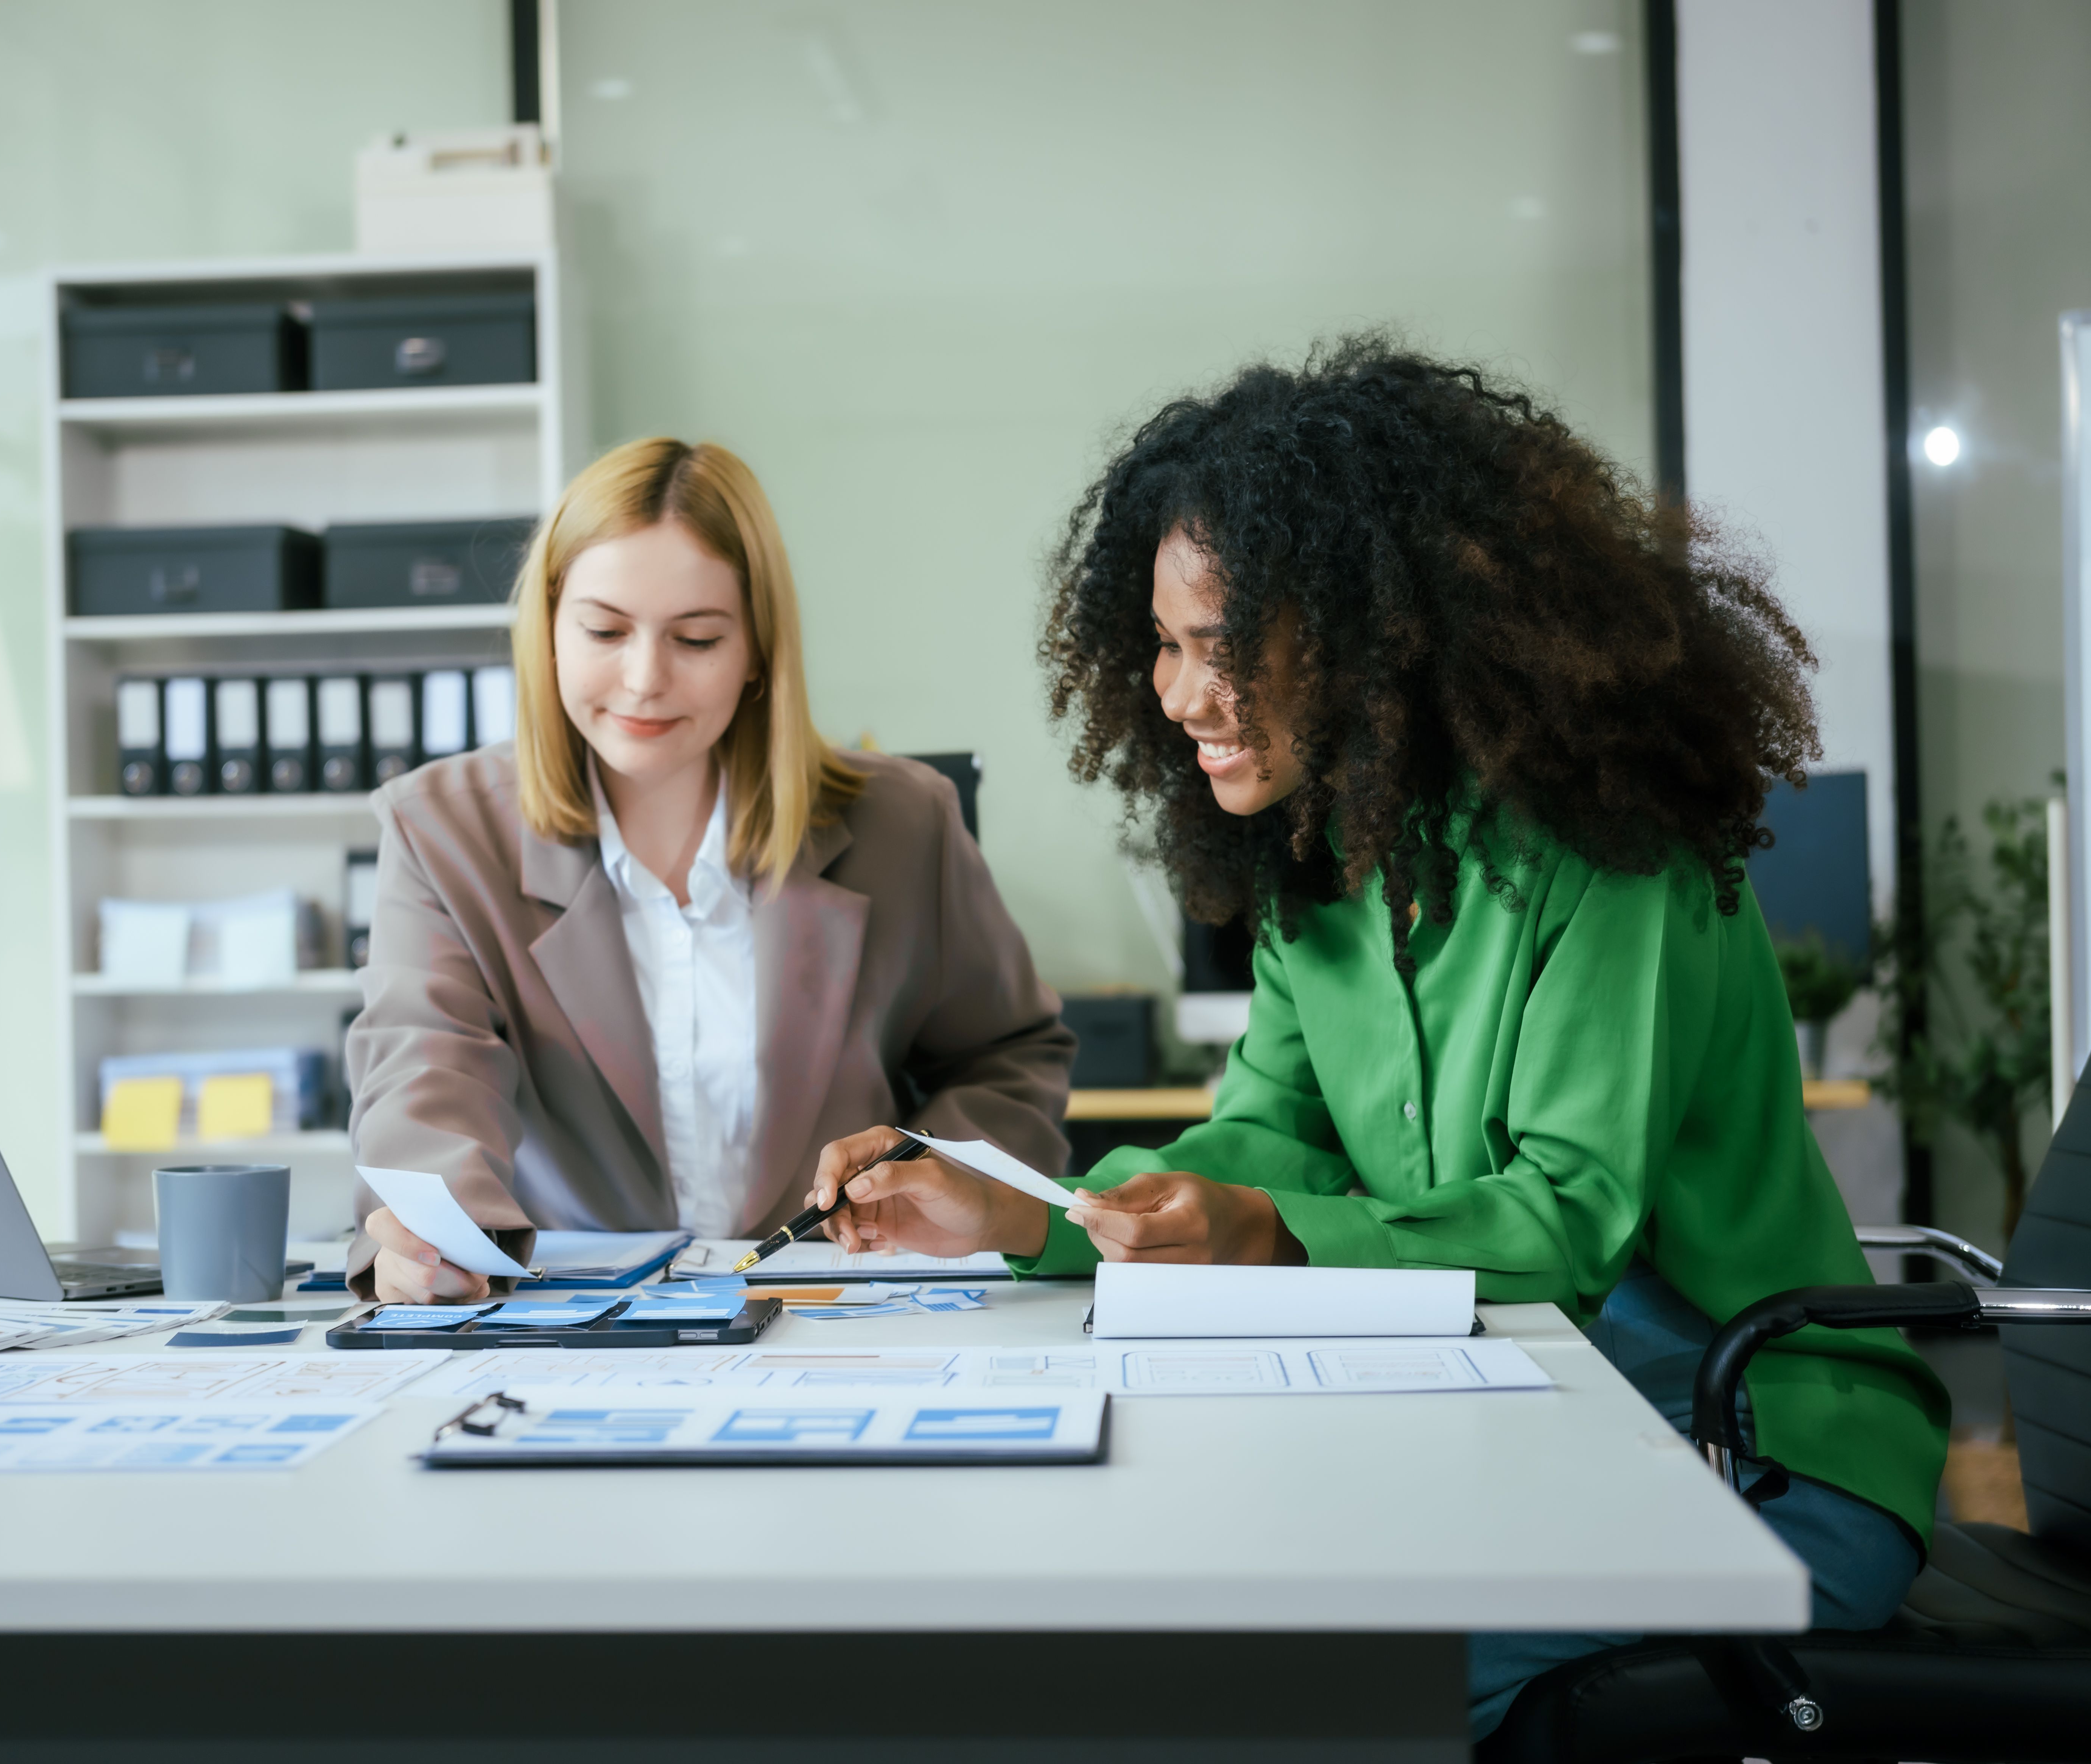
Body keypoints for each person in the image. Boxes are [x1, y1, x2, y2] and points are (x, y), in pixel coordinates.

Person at [803, 339, 1949, 1741]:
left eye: (1218, 646)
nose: (1174, 695)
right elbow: (1266, 1137)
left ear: (1372, 633)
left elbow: (1564, 1217)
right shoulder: (1321, 875)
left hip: (1754, 1453)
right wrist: (1016, 1207)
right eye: (1161, 645)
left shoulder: (1610, 851)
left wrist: (1269, 1237)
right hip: (1530, 1419)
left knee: (1290, 1661)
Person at [344, 436, 1072, 1305]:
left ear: (759, 647)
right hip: (568, 1313)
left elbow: (1007, 1056)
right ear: (546, 629)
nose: (645, 679)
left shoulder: (903, 820)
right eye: (605, 630)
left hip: (846, 1297)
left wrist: (940, 1182)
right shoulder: (442, 828)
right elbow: (427, 1069)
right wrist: (440, 1232)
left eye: (696, 638)